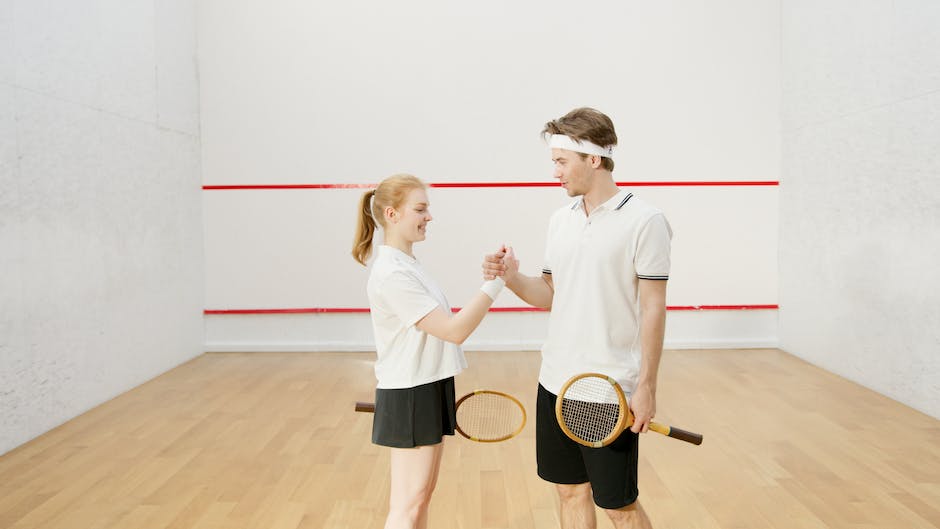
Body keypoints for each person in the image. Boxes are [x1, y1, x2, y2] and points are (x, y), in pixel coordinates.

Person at [482, 108, 672, 529]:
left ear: (593, 158)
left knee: (618, 507)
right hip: (555, 381)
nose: (554, 173)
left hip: (607, 389)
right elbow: (550, 294)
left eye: (561, 161)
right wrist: (511, 278)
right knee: (569, 493)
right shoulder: (560, 221)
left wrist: (647, 388)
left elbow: (653, 308)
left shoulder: (645, 221)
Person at [353, 173, 504, 529]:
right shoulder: (392, 273)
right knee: (406, 506)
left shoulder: (409, 265)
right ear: (392, 214)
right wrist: (497, 283)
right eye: (420, 209)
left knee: (419, 500)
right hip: (410, 391)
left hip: (427, 385)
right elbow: (454, 331)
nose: (429, 217)